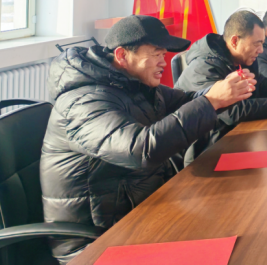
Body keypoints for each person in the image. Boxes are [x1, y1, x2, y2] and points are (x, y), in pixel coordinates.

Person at [40, 15, 253, 264]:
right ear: (122, 55)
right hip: (95, 243)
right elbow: (140, 151)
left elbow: (186, 101)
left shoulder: (134, 85)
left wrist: (224, 92)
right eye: (156, 54)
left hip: (140, 212)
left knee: (237, 221)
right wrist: (211, 101)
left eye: (164, 54)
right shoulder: (83, 102)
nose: (164, 62)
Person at [175, 10, 267, 160]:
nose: (261, 50)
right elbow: (231, 112)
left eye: (262, 43)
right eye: (256, 44)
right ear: (235, 41)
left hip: (231, 137)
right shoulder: (204, 67)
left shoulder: (241, 58)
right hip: (200, 151)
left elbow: (260, 81)